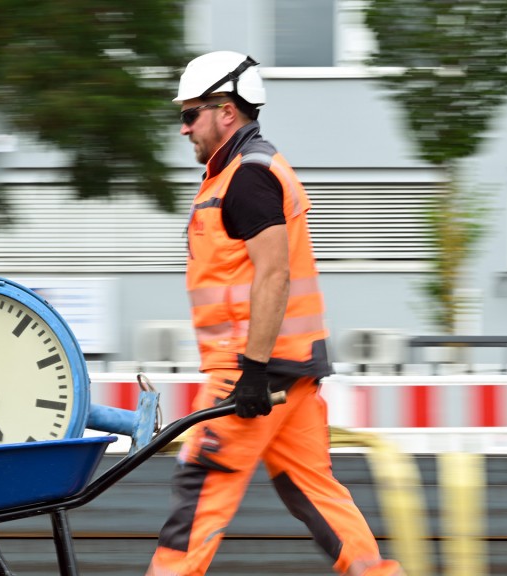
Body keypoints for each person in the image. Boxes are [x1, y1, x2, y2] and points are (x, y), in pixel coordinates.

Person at [146, 51, 405, 576]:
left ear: (226, 111)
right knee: (314, 491)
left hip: (253, 369)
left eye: (189, 114)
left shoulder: (248, 176)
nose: (183, 129)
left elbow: (274, 274)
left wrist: (253, 371)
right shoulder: (238, 173)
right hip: (291, 368)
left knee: (202, 481)